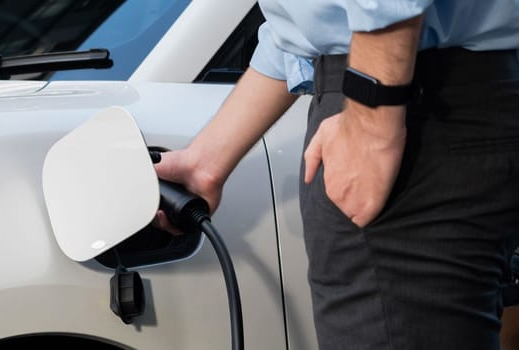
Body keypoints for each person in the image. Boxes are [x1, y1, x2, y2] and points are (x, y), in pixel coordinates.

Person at [155, 1, 519, 349]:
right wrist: (208, 161)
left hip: (401, 100)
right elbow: (299, 31)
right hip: (442, 93)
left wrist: (371, 117)